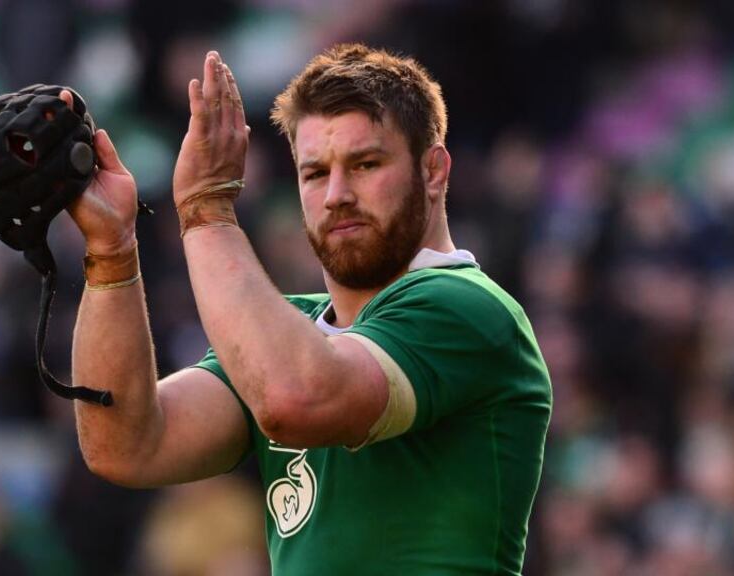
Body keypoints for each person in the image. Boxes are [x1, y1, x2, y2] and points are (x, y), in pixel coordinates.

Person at [64, 44, 552, 575]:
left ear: (433, 170)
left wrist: (205, 211)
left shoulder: (465, 306)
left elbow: (293, 398)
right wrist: (111, 251)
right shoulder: (289, 330)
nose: (337, 194)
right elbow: (125, 445)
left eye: (366, 164)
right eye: (315, 173)